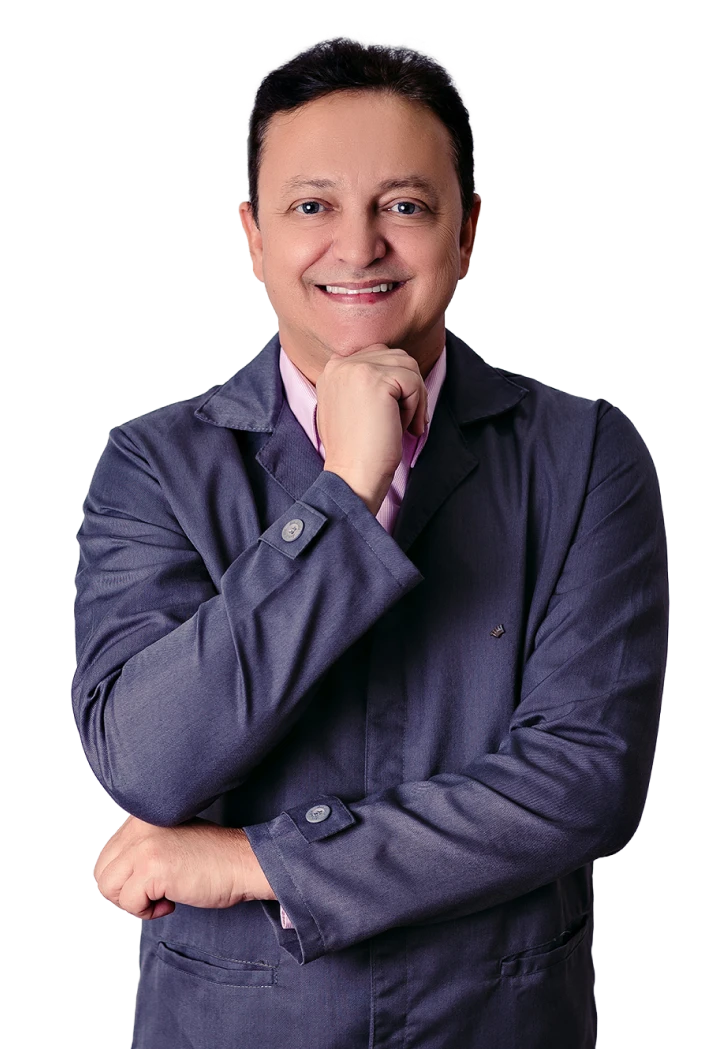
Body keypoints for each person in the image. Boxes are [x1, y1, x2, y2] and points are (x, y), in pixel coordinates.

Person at [72, 32, 668, 1049]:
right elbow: (151, 760)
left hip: (497, 1020)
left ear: (468, 230)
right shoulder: (156, 463)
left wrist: (258, 861)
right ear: (252, 233)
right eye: (312, 207)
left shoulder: (584, 455)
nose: (357, 248)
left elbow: (582, 783)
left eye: (405, 206)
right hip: (237, 1025)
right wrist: (345, 490)